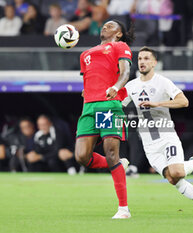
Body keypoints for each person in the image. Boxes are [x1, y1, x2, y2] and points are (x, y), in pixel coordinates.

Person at [122, 46, 193, 217]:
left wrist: (158, 104)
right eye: (140, 59)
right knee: (173, 179)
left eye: (146, 59)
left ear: (154, 63)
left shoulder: (163, 82)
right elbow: (117, 104)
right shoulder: (131, 86)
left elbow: (184, 101)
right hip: (149, 143)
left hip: (167, 136)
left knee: (177, 172)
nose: (142, 62)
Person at [75, 20, 134, 219]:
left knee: (110, 153)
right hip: (89, 106)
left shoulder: (120, 46)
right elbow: (89, 78)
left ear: (119, 34)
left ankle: (123, 209)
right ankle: (118, 163)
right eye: (104, 25)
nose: (105, 27)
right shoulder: (85, 54)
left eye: (111, 25)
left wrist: (116, 87)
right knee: (82, 156)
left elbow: (125, 72)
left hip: (110, 104)